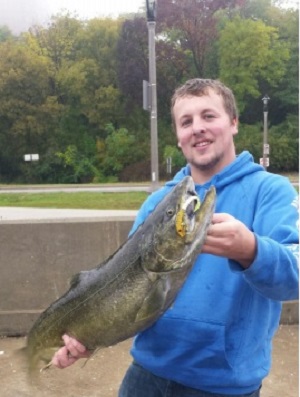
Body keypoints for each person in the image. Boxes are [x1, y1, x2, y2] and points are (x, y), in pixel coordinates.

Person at [51, 78, 299, 396]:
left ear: (234, 122)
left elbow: (295, 273)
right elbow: (129, 289)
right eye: (186, 121)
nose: (197, 128)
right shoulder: (158, 204)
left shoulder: (270, 191)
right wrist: (89, 337)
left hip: (224, 387)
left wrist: (250, 250)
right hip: (145, 376)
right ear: (178, 137)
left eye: (209, 116)